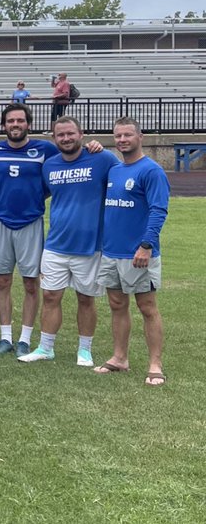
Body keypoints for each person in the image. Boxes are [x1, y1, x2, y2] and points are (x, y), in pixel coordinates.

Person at [19, 116, 120, 365]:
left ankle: (84, 350)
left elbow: (121, 185)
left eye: (70, 134)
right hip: (55, 244)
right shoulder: (49, 165)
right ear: (54, 138)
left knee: (86, 298)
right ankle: (46, 347)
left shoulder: (103, 159)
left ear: (81, 134)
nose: (65, 138)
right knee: (51, 296)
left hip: (90, 245)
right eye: (60, 135)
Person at [94, 118, 169, 386]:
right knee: (117, 305)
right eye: (118, 136)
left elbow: (158, 210)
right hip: (111, 251)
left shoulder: (151, 171)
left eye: (128, 135)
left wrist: (146, 245)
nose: (122, 140)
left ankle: (155, 364)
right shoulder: (114, 170)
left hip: (138, 252)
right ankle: (120, 358)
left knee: (147, 307)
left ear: (140, 136)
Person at [0, 103, 59, 356]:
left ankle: (25, 338)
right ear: (3, 125)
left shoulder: (45, 149)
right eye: (11, 121)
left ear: (29, 123)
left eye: (20, 121)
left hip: (31, 222)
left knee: (30, 283)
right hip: (1, 222)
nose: (15, 125)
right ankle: (6, 338)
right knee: (2, 281)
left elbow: (60, 171)